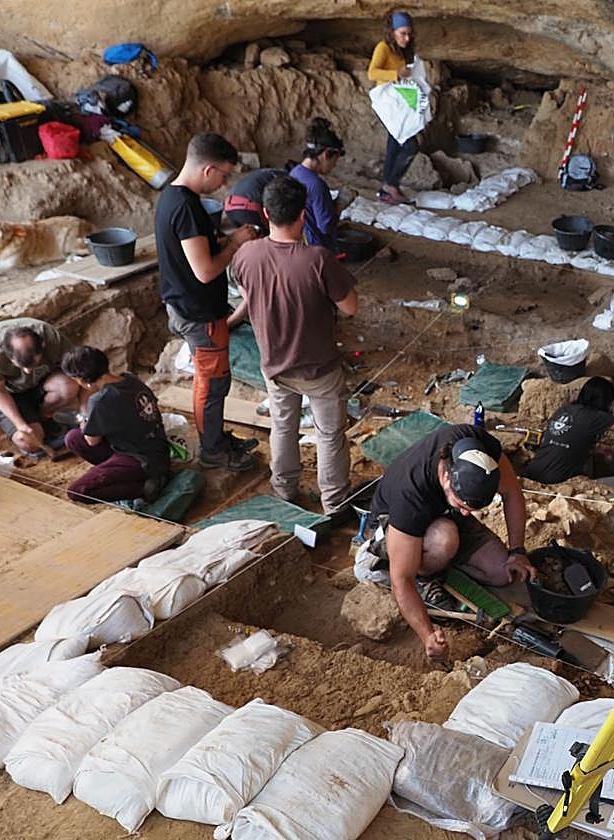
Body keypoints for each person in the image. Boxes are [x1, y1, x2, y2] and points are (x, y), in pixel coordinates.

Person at [230, 175, 358, 515]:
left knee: (283, 426)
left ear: (265, 214)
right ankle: (334, 501)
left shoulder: (246, 255)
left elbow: (247, 293)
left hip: (274, 365)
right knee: (329, 435)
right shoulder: (317, 259)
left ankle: (283, 490)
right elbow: (351, 307)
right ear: (303, 214)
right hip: (319, 368)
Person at [366, 424, 536, 660]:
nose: (468, 514)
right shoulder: (411, 493)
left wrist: (517, 551)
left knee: (502, 572)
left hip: (445, 513)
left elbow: (512, 492)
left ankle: (444, 559)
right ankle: (425, 576)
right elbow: (401, 581)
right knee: (445, 538)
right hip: (392, 525)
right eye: (463, 505)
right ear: (446, 477)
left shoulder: (480, 447)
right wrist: (427, 636)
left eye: (472, 508)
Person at [156, 132, 259, 472]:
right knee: (213, 383)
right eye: (224, 175)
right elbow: (204, 270)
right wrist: (237, 243)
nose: (224, 182)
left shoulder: (173, 196)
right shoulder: (185, 206)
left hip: (187, 303)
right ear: (208, 169)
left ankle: (214, 438)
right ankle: (212, 450)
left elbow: (198, 250)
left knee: (213, 379)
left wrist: (226, 240)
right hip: (197, 310)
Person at [60, 346, 169, 504]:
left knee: (77, 491)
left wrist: (85, 420)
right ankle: (118, 473)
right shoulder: (129, 378)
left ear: (83, 381)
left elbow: (92, 441)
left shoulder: (100, 400)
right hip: (155, 448)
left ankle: (144, 487)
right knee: (73, 438)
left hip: (141, 460)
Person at [522, 376, 614, 487]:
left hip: (533, 471)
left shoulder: (565, 410)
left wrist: (596, 449)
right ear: (605, 401)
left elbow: (567, 439)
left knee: (589, 462)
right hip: (556, 483)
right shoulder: (597, 417)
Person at [0, 317, 78, 455]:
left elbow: (79, 372)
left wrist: (86, 414)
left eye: (33, 364)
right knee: (29, 442)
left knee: (68, 387)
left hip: (41, 382)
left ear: (42, 345)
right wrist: (21, 425)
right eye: (21, 366)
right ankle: (34, 423)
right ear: (8, 356)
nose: (27, 371)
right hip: (8, 394)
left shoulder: (50, 337)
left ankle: (44, 417)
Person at [367, 11, 419, 205]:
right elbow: (372, 73)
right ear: (392, 32)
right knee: (411, 145)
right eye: (403, 33)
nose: (407, 38)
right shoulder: (383, 48)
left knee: (394, 144)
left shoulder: (402, 50)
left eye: (409, 34)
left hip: (399, 102)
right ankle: (391, 184)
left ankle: (386, 190)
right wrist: (396, 73)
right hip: (387, 104)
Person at [288, 118, 345, 252]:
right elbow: (325, 226)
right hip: (316, 248)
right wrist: (340, 205)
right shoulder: (317, 185)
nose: (333, 166)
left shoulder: (295, 172)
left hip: (299, 242)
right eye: (334, 161)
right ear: (325, 155)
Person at [224, 166, 280, 235]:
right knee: (268, 236)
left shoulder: (267, 173)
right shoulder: (286, 180)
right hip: (246, 208)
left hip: (229, 207)